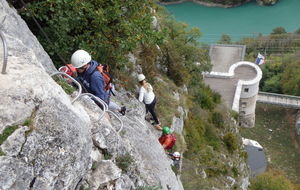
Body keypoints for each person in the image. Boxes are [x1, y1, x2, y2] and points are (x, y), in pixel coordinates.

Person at [71, 49, 126, 115]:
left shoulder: (95, 77)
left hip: (101, 96)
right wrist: (72, 81)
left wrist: (100, 110)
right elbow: (80, 79)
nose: (76, 70)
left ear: (85, 65)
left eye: (77, 68)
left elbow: (100, 99)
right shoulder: (83, 69)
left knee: (107, 105)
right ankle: (120, 109)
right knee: (108, 103)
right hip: (93, 92)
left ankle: (120, 109)